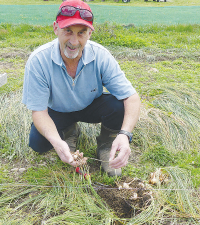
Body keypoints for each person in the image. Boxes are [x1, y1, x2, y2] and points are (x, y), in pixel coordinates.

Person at [22, 0, 141, 176]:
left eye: (81, 33)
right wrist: (57, 142)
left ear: (90, 33)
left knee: (119, 105)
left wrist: (124, 135)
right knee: (38, 143)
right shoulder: (38, 61)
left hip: (89, 106)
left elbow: (131, 97)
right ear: (56, 28)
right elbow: (38, 112)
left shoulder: (101, 56)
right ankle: (69, 131)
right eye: (68, 31)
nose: (74, 41)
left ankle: (107, 144)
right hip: (58, 111)